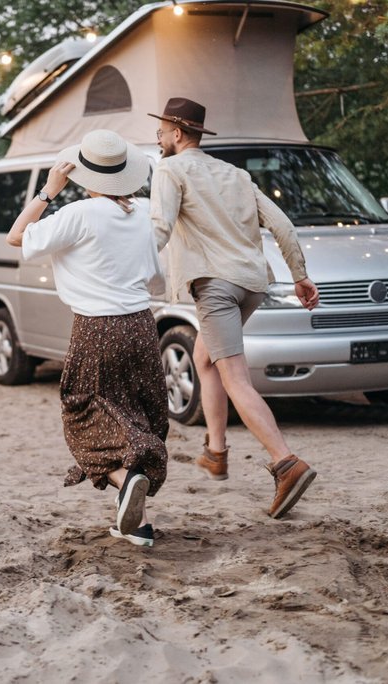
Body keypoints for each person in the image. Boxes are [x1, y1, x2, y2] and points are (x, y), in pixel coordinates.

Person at [148, 97, 320, 519]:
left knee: (235, 377)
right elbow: (281, 224)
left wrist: (126, 268)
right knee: (205, 356)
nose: (157, 138)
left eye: (160, 131)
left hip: (216, 287)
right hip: (252, 284)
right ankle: (216, 452)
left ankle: (286, 463)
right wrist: (300, 275)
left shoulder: (169, 169)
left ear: (175, 133)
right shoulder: (237, 174)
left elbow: (160, 227)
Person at [6, 129, 168, 547]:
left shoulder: (78, 214)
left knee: (83, 413)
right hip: (141, 325)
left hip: (98, 327)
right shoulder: (144, 212)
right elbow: (154, 278)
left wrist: (47, 191)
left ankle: (124, 476)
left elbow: (16, 236)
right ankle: (137, 523)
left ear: (84, 175)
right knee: (133, 414)